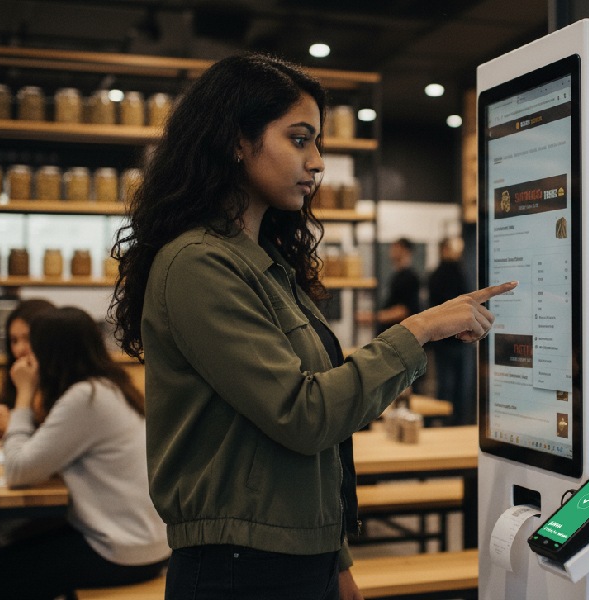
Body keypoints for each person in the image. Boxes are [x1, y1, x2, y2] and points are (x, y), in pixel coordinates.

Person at [109, 52, 515, 600]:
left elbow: (307, 445)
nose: (317, 161)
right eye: (299, 139)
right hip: (241, 570)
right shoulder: (198, 264)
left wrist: (333, 555)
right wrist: (418, 330)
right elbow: (305, 414)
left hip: (293, 554)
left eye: (317, 142)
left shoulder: (265, 261)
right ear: (236, 140)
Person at [0, 306, 170, 598]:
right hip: (144, 541)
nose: (27, 356)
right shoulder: (106, 387)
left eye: (33, 347)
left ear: (51, 353)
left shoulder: (86, 398)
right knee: (8, 541)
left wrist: (24, 393)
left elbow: (19, 471)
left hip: (125, 550)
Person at [0, 298, 55, 439]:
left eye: (28, 339)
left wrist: (10, 426)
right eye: (14, 340)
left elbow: (56, 443)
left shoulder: (68, 388)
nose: (19, 349)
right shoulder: (16, 378)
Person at [427, 238, 474, 423]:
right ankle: (457, 422)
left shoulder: (436, 275)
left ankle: (447, 422)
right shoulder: (459, 272)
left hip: (444, 339)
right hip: (459, 339)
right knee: (459, 385)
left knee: (446, 385)